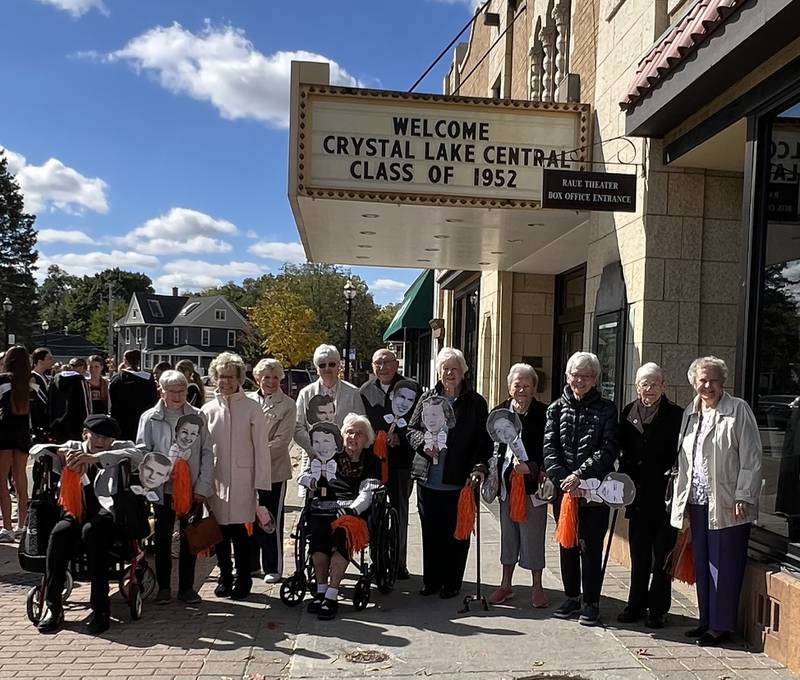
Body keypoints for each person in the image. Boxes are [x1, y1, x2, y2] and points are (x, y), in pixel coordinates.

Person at [670, 356, 762, 647]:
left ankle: (721, 626)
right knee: (703, 564)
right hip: (697, 500)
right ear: (693, 382)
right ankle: (706, 620)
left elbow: (752, 457)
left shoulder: (738, 410)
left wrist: (744, 495)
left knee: (725, 564)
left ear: (723, 382)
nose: (707, 386)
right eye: (702, 380)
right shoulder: (690, 412)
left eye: (713, 380)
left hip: (727, 501)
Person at [33, 414, 143, 634]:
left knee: (93, 532)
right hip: (76, 509)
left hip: (107, 512)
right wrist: (61, 453)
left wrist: (96, 458)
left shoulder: (119, 447)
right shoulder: (74, 445)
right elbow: (36, 450)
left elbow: (137, 455)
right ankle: (53, 606)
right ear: (86, 434)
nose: (101, 441)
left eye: (107, 438)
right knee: (59, 533)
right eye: (97, 436)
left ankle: (101, 608)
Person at [406, 347, 492, 599]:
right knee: (431, 532)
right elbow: (411, 430)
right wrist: (423, 442)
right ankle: (431, 580)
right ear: (439, 372)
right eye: (445, 369)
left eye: (454, 368)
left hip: (459, 479)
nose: (450, 373)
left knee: (457, 532)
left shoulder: (475, 402)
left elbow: (483, 441)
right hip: (428, 478)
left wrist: (478, 467)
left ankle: (452, 582)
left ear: (463, 371)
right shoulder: (427, 398)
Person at [544, 351, 618, 627]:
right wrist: (564, 478)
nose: (580, 381)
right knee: (567, 545)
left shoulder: (607, 409)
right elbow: (549, 449)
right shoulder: (555, 409)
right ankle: (572, 597)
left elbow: (608, 449)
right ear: (567, 377)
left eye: (586, 376)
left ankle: (591, 602)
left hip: (593, 492)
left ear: (595, 379)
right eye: (576, 375)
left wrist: (580, 475)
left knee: (590, 547)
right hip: (564, 491)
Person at [137, 369, 214, 605]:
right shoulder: (150, 417)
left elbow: (207, 453)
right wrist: (154, 475)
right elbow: (142, 451)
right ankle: (164, 587)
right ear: (161, 390)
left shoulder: (198, 415)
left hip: (191, 489)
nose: (179, 395)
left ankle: (187, 588)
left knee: (190, 538)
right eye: (173, 391)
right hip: (163, 489)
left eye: (182, 390)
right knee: (162, 540)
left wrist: (202, 487)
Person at [617, 362, 683, 629]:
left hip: (664, 497)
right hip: (638, 497)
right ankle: (635, 604)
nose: (650, 389)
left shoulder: (676, 414)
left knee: (662, 556)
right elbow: (622, 452)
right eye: (645, 384)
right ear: (637, 387)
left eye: (655, 383)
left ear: (663, 386)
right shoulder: (628, 412)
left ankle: (657, 609)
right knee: (639, 555)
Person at [299, 413, 381, 620]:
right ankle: (320, 589)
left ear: (367, 439)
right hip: (324, 509)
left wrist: (353, 509)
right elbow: (305, 476)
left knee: (342, 535)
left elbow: (367, 491)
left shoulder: (371, 461)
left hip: (354, 512)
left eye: (359, 434)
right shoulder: (328, 456)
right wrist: (312, 481)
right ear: (342, 436)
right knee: (318, 536)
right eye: (349, 432)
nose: (353, 437)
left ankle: (332, 594)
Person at [202, 352, 270, 600]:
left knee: (241, 533)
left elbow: (261, 448)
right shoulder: (208, 410)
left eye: (231, 377)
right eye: (221, 377)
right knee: (219, 532)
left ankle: (243, 578)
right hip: (216, 479)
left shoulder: (252, 407)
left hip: (243, 479)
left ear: (240, 378)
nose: (226, 382)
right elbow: (203, 449)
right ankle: (224, 576)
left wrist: (261, 484)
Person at [488, 363, 550, 608]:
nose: (522, 390)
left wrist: (533, 467)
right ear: (509, 387)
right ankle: (506, 584)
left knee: (533, 537)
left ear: (535, 388)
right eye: (517, 385)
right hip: (506, 487)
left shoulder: (545, 414)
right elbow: (489, 447)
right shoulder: (499, 413)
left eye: (527, 386)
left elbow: (551, 450)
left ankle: (537, 586)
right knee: (508, 536)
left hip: (532, 489)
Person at [360, 348, 420, 580]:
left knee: (399, 513)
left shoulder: (411, 389)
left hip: (401, 463)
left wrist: (402, 438)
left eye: (387, 362)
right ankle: (378, 560)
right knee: (374, 513)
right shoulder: (365, 391)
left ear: (396, 364)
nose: (382, 367)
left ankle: (398, 562)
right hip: (373, 464)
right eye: (377, 363)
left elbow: (419, 424)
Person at [248, 358, 296, 583]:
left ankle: (273, 567)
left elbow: (282, 441)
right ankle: (250, 565)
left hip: (273, 470)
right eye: (266, 377)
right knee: (247, 516)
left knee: (269, 519)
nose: (271, 381)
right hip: (245, 471)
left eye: (275, 377)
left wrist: (252, 455)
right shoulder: (247, 401)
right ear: (258, 378)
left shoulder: (287, 405)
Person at [295, 344, 365, 465]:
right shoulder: (305, 394)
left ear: (339, 366)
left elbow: (362, 426)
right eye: (322, 365)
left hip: (345, 457)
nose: (327, 368)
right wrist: (315, 448)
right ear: (317, 369)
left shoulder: (353, 393)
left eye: (331, 364)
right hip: (313, 458)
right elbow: (297, 427)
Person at [0, 346, 32, 542]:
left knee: (2, 480)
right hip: (22, 432)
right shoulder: (31, 381)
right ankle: (23, 524)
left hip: (3, 431)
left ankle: (7, 528)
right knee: (20, 479)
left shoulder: (3, 380)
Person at [109, 350, 159, 441]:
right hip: (142, 420)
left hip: (122, 422)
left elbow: (112, 401)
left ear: (125, 361)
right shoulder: (148, 379)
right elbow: (153, 400)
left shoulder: (117, 379)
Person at [48, 357, 91, 442]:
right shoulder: (80, 380)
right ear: (82, 367)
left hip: (57, 424)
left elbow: (50, 400)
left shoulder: (55, 378)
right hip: (77, 424)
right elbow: (86, 404)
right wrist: (88, 423)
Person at [30, 347, 54, 443]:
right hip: (37, 421)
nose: (52, 361)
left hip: (45, 421)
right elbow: (41, 399)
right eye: (49, 358)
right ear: (40, 361)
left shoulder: (46, 377)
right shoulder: (32, 377)